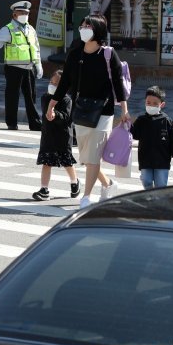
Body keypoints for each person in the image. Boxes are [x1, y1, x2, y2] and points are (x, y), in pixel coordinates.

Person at [46, 14, 130, 209]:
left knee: (93, 156)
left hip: (104, 112)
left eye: (87, 25)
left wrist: (124, 110)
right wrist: (52, 105)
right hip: (81, 111)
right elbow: (65, 81)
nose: (83, 28)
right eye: (82, 24)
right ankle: (108, 184)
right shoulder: (75, 54)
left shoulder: (108, 54)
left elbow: (118, 85)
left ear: (98, 31)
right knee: (86, 158)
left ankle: (86, 197)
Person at [0, 1, 43, 131]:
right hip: (14, 68)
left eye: (26, 13)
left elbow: (35, 48)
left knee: (31, 97)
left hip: (28, 68)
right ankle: (12, 123)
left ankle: (35, 123)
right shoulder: (8, 29)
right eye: (22, 12)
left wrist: (38, 64)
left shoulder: (30, 29)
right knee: (12, 96)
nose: (25, 15)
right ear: (14, 14)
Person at [32, 70, 80, 201]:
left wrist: (56, 114)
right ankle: (44, 189)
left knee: (67, 162)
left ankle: (74, 182)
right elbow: (46, 111)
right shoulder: (45, 97)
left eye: (56, 83)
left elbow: (66, 117)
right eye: (51, 82)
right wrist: (50, 111)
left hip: (63, 137)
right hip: (48, 136)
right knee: (47, 163)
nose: (52, 85)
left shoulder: (67, 100)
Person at [130, 86, 173, 189]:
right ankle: (150, 199)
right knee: (146, 181)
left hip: (162, 160)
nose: (151, 105)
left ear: (162, 104)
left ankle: (159, 202)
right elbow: (135, 134)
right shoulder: (141, 120)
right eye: (148, 103)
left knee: (161, 185)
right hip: (145, 158)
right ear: (145, 102)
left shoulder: (166, 121)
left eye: (155, 103)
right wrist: (127, 126)